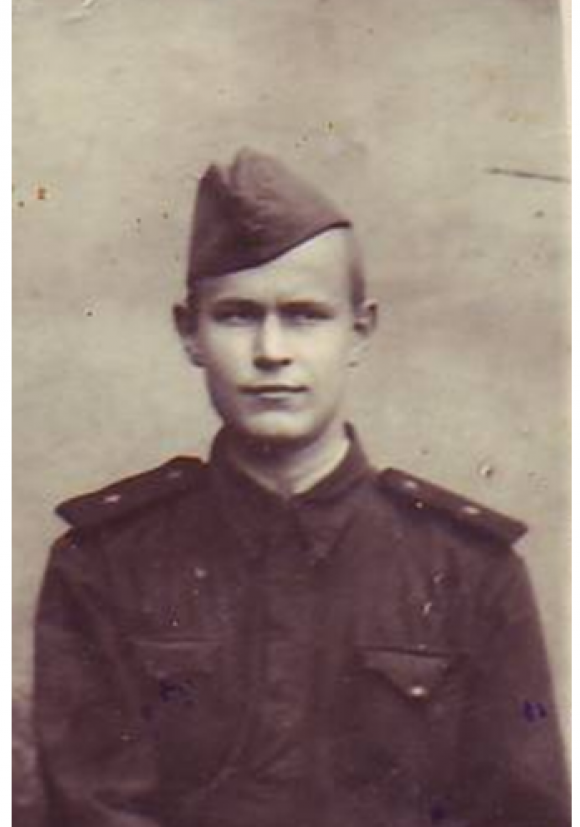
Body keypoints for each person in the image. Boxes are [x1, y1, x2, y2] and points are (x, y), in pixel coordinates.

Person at [34, 148, 569, 827]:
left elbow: (522, 812)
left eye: (305, 315)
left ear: (360, 331)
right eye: (237, 315)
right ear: (189, 333)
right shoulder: (105, 563)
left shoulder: (470, 570)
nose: (272, 351)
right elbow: (92, 809)